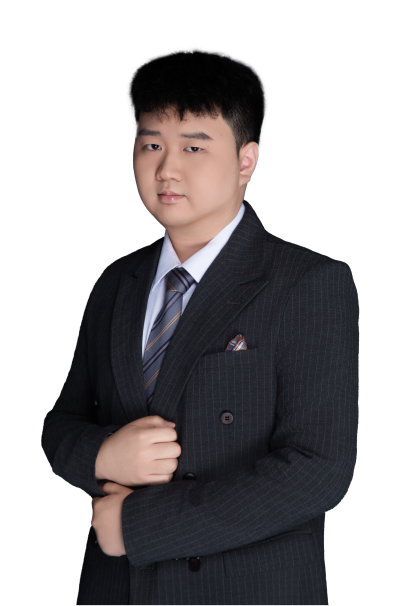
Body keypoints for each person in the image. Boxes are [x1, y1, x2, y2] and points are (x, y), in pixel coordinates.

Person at [41, 45, 359, 606]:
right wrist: (101, 456)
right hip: (118, 590)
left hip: (246, 591)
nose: (167, 168)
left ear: (246, 159)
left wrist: (139, 526)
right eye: (151, 144)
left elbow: (318, 470)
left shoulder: (309, 282)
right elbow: (61, 424)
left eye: (193, 146)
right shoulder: (117, 281)